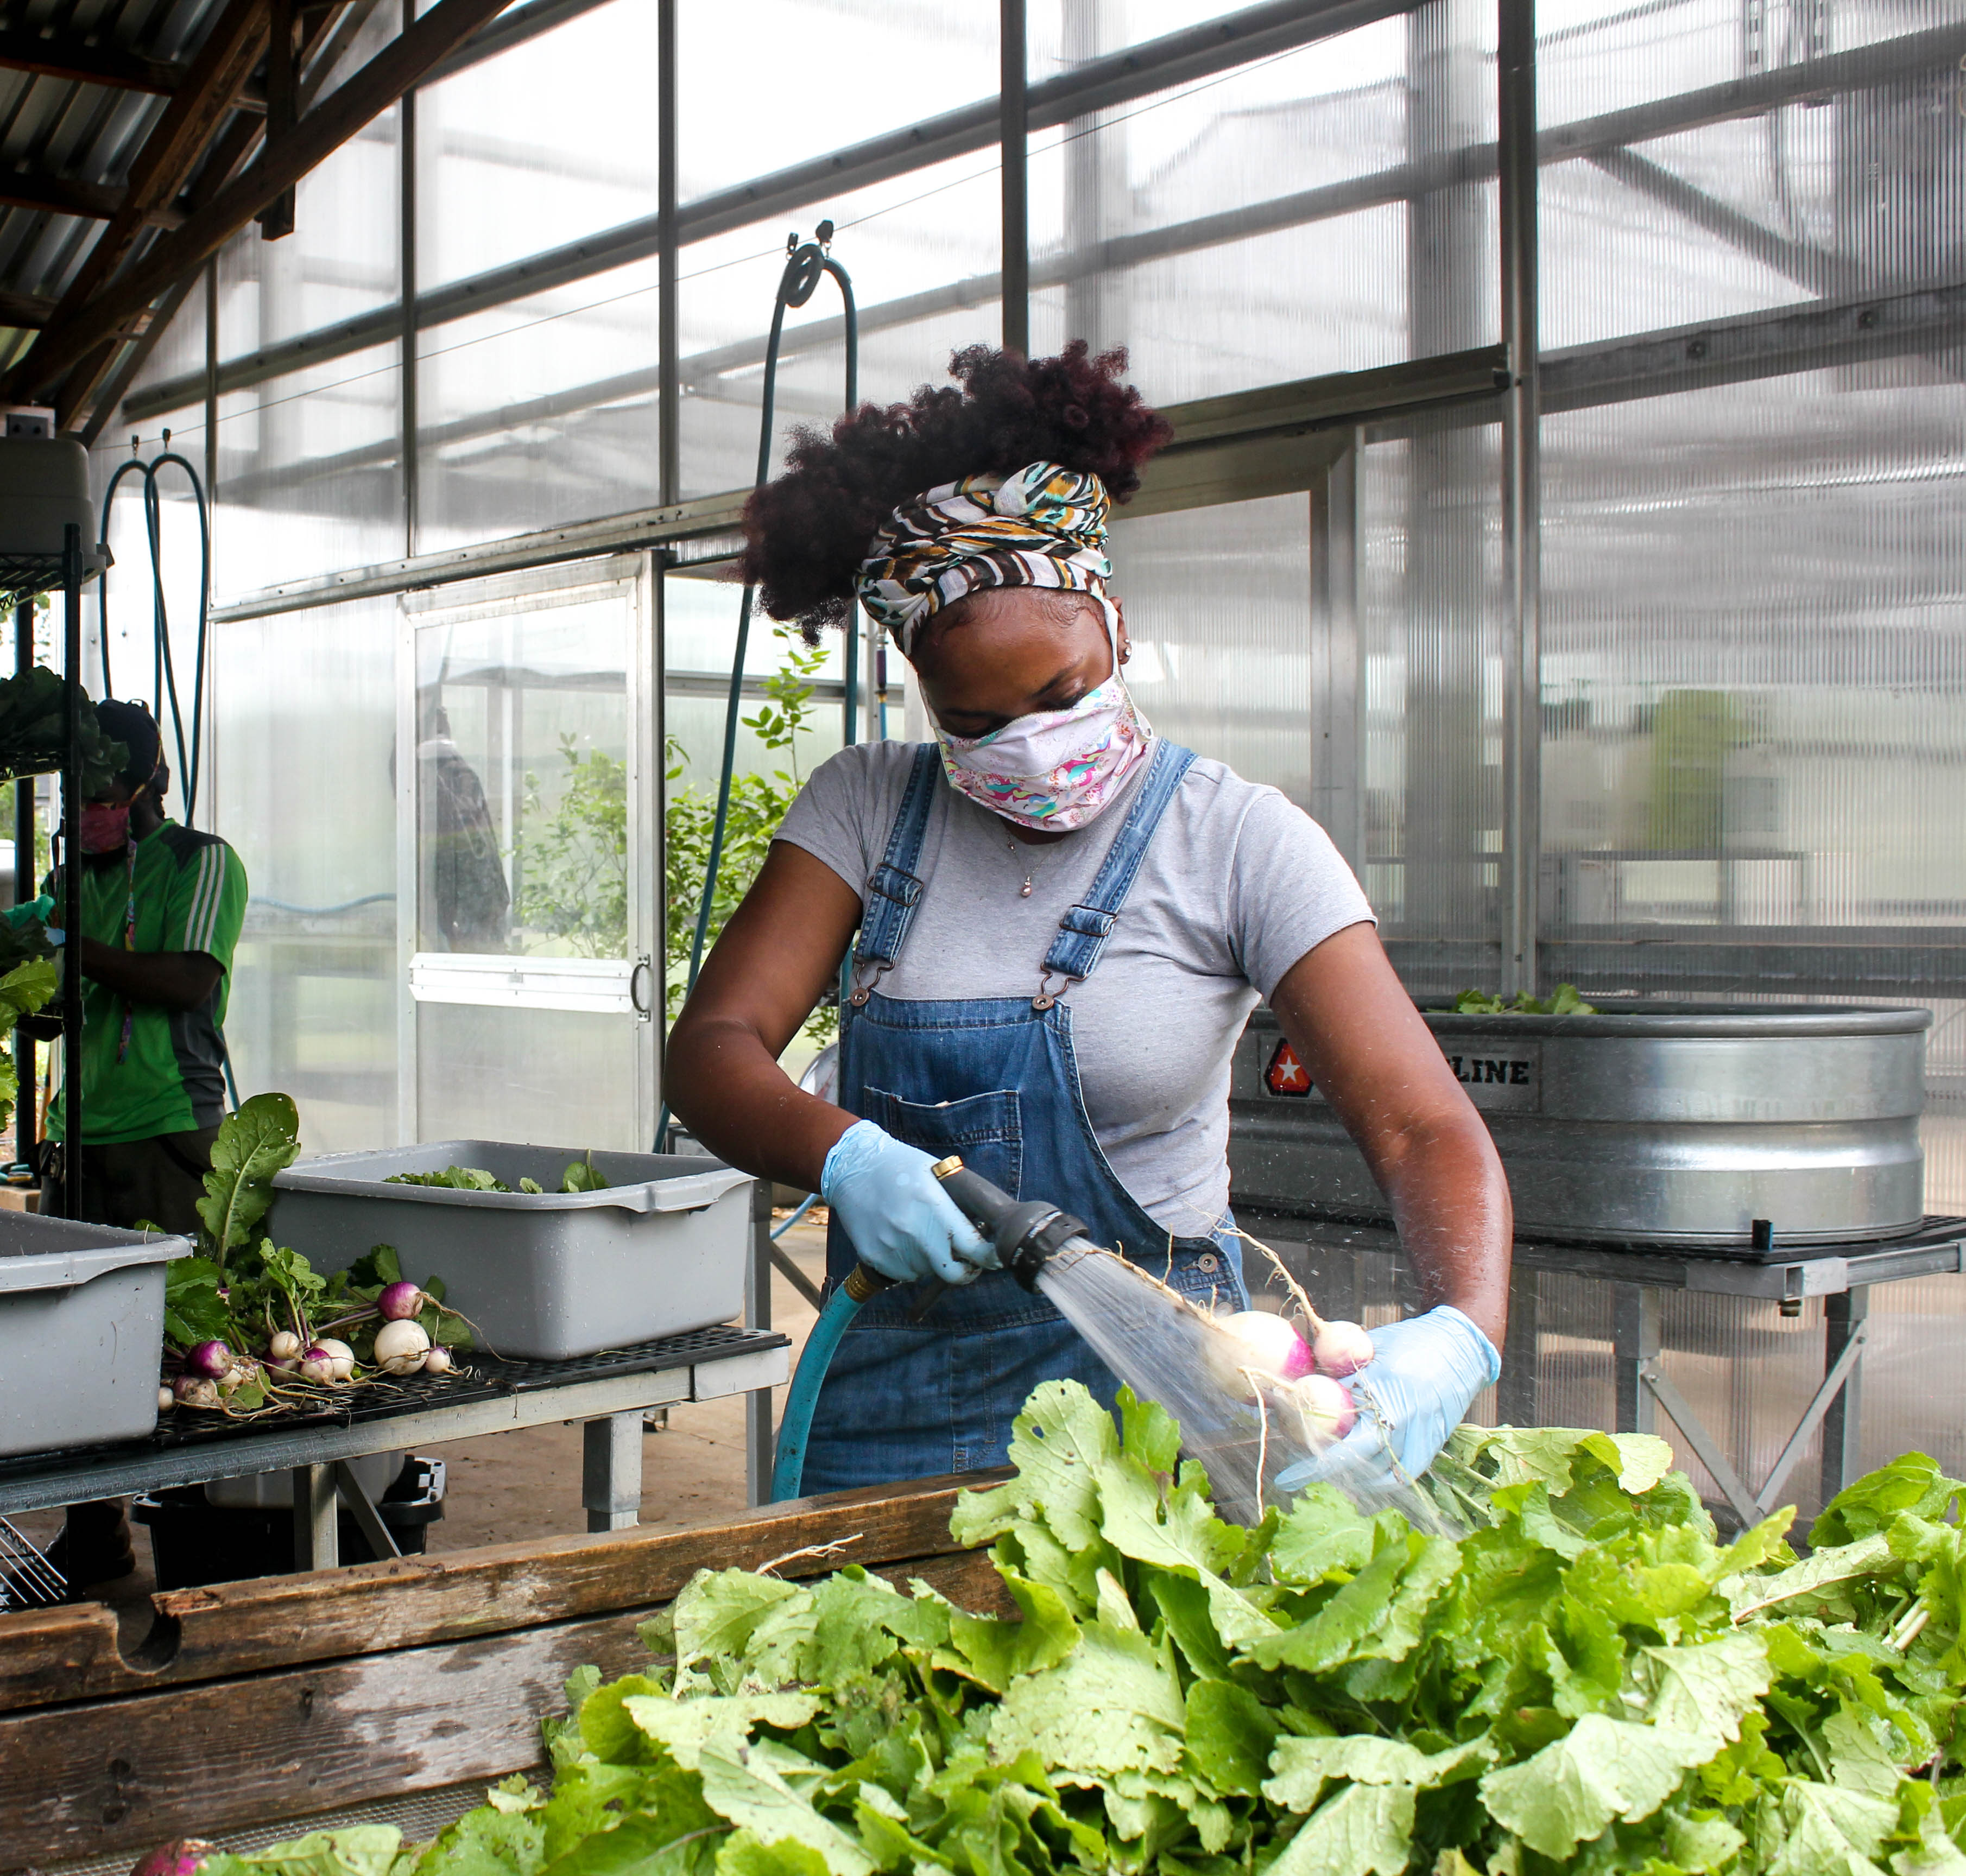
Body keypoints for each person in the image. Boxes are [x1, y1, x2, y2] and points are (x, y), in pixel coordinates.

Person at [667, 343, 1512, 1497]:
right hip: (894, 1398)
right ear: (918, 685)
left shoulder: (1237, 840)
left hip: (1162, 1411)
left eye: (1059, 694)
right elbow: (711, 1051)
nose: (1027, 739)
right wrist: (846, 1155)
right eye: (974, 719)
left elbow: (1421, 1130)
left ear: (1109, 620)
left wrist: (1456, 1330)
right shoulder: (867, 810)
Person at [35, 699, 249, 1585]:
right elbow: (43, 965)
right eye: (77, 791)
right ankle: (96, 1543)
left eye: (106, 789)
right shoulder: (71, 873)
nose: (89, 806)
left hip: (169, 1136)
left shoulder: (199, 862)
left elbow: (191, 982)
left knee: (181, 1346)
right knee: (77, 1351)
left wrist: (70, 951)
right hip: (76, 1137)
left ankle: (204, 1549)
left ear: (150, 782)